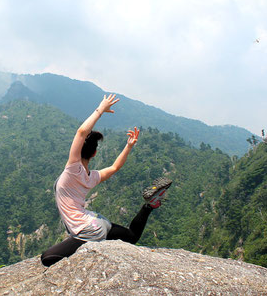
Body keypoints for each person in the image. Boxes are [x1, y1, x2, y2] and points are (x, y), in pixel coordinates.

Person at [40, 94, 172, 267]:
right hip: (98, 221)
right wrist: (129, 145)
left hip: (87, 229)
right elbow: (114, 167)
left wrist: (100, 109)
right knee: (131, 236)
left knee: (46, 259)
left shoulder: (72, 169)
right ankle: (149, 206)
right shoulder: (91, 176)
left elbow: (81, 132)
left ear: (78, 151)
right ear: (94, 153)